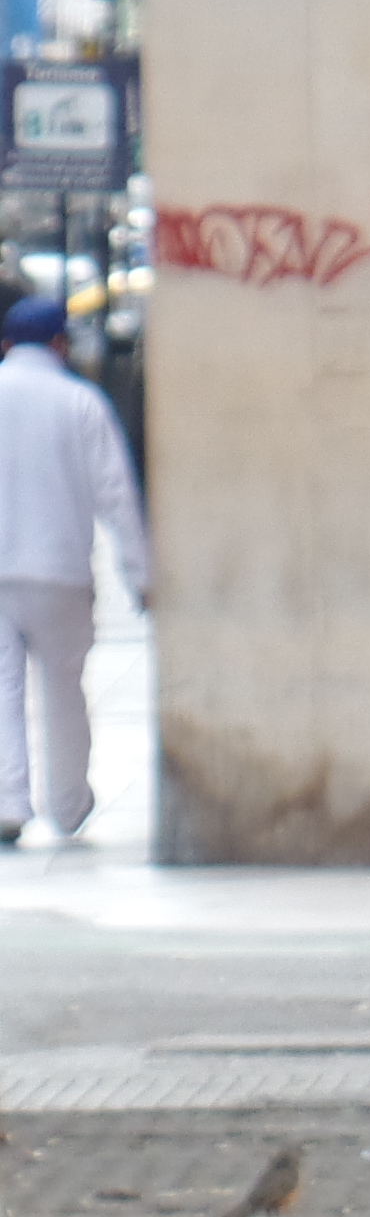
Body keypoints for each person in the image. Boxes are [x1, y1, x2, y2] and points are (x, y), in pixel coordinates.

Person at [0, 293, 148, 847]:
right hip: (59, 570)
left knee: (2, 688)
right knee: (64, 688)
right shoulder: (81, 402)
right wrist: (141, 575)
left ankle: (8, 803)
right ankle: (68, 804)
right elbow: (117, 496)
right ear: (59, 344)